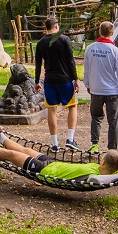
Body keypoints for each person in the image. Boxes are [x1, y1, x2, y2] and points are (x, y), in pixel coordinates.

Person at [0, 120, 118, 185]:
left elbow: (98, 180)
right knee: (27, 149)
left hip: (47, 172)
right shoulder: (108, 171)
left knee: (13, 156)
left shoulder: (99, 178)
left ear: (103, 162)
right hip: (54, 164)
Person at [34, 16, 80, 150]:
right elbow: (70, 60)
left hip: (49, 81)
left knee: (52, 110)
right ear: (56, 27)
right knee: (72, 106)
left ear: (46, 28)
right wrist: (76, 79)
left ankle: (54, 143)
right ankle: (70, 139)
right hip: (65, 80)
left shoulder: (41, 43)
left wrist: (37, 81)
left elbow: (38, 64)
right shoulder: (64, 39)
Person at [83, 20, 118, 153]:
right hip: (111, 90)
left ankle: (94, 143)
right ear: (112, 33)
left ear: (99, 31)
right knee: (113, 120)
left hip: (96, 89)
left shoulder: (90, 49)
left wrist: (88, 84)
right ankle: (112, 148)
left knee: (96, 117)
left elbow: (87, 69)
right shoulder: (115, 51)